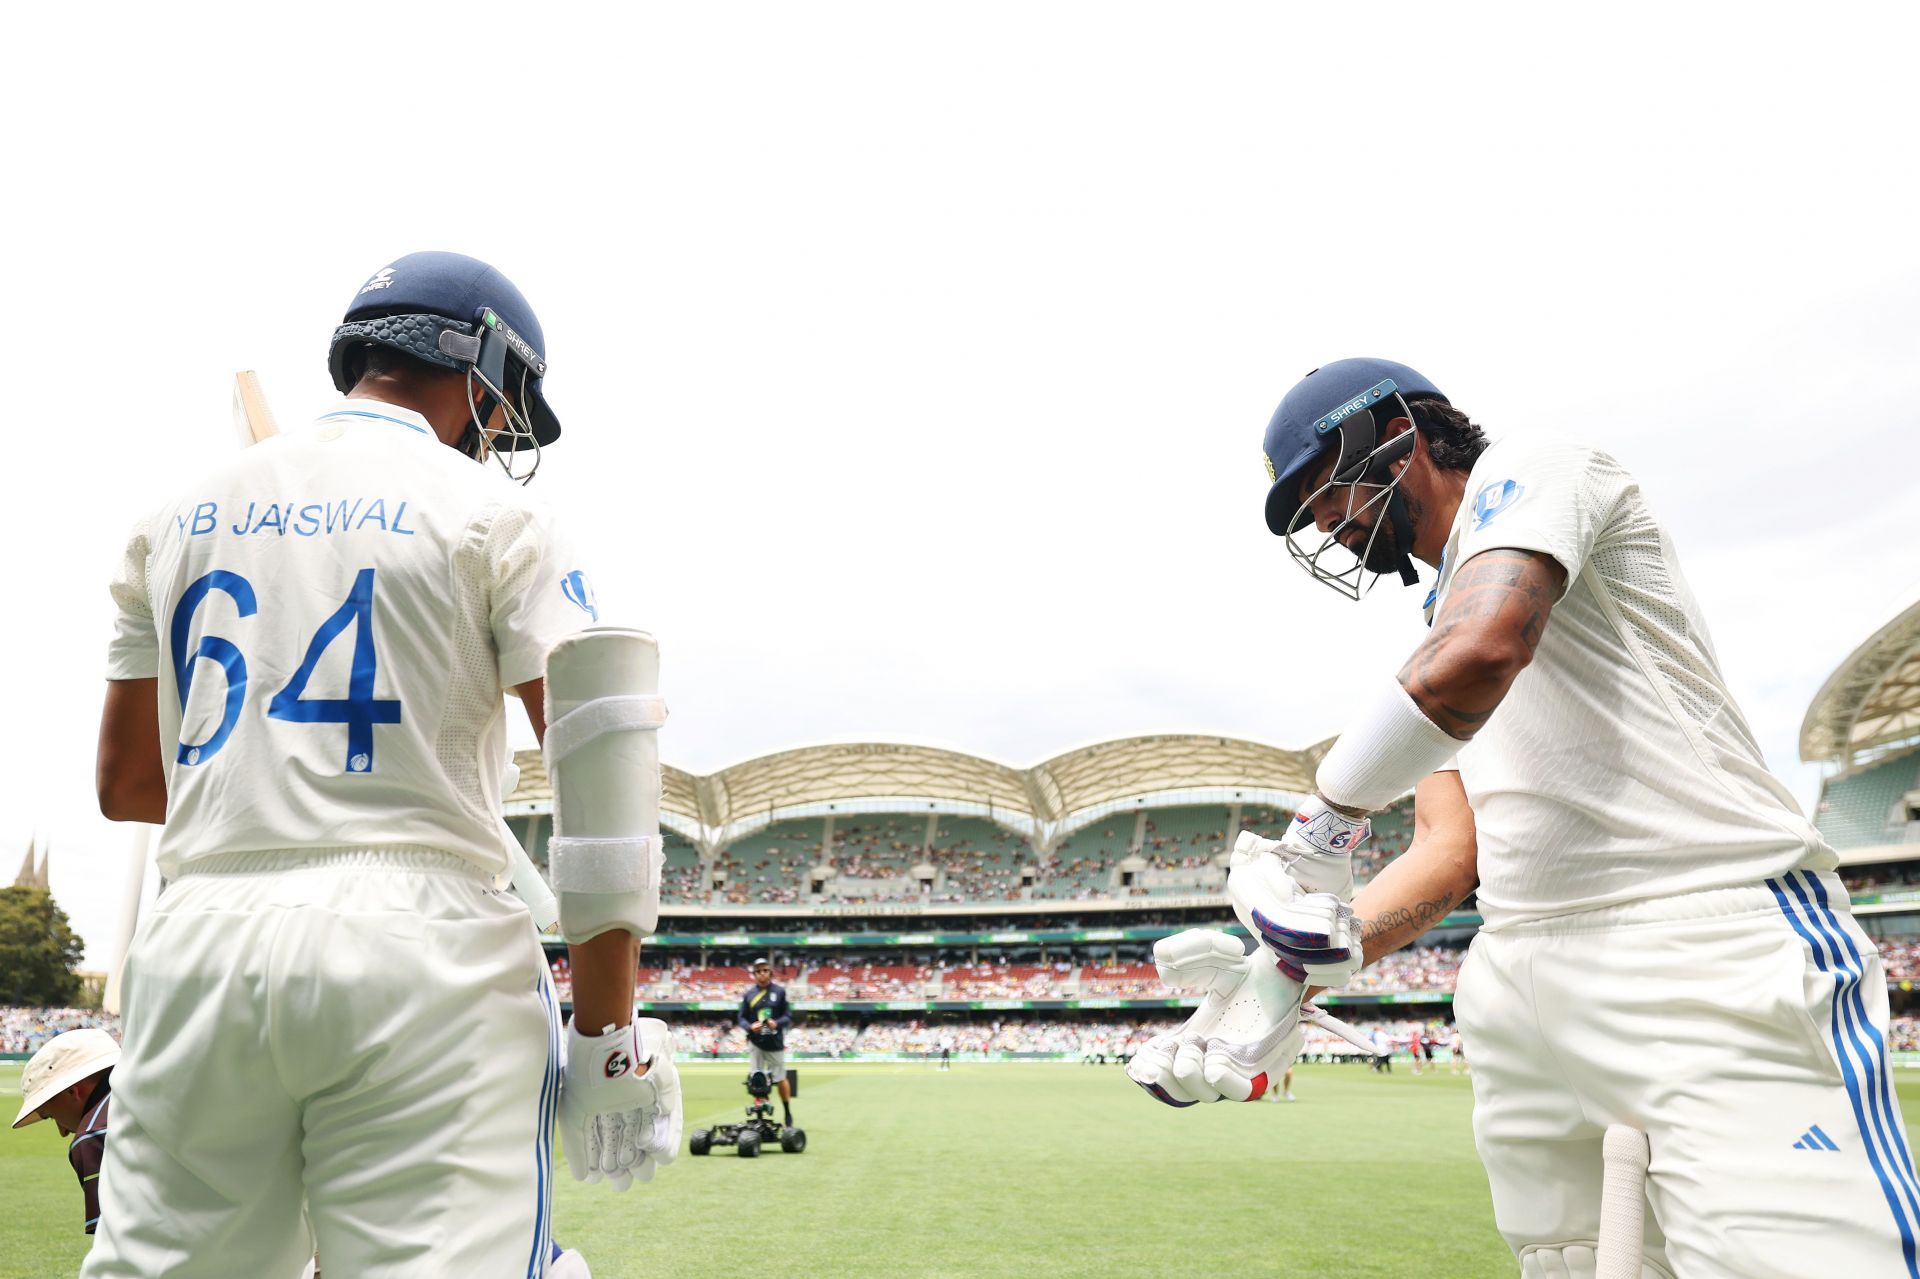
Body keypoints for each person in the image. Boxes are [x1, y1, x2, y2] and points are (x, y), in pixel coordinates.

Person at [1132, 357, 1913, 1277]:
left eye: (1322, 488)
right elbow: (1448, 850)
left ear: (1395, 433)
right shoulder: (1436, 632)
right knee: (1567, 1261)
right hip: (1521, 976)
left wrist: (1323, 822)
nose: (1326, 524)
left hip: (1700, 937)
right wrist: (1287, 972)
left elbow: (1486, 645)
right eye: (1306, 512)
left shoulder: (1538, 470)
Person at [89, 252, 678, 1278]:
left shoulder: (171, 520)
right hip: (422, 946)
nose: (501, 437)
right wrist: (606, 1032)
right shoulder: (496, 515)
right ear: (484, 365)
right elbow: (600, 780)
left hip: (195, 944)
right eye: (505, 410)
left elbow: (131, 787)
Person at [11, 1028, 119, 1236]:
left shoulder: (94, 1136)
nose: (62, 1131)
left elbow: (119, 1248)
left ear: (73, 1091)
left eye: (50, 1116)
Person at [739, 958, 796, 1128]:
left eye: (765, 970)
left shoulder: (779, 992)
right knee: (756, 1078)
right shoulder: (749, 994)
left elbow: (788, 1016)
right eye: (758, 971)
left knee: (780, 1078)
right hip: (756, 1042)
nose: (762, 974)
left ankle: (787, 1111)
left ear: (770, 972)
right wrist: (750, 1027)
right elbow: (740, 1017)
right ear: (754, 974)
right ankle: (761, 1115)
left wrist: (776, 1023)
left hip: (774, 1043)